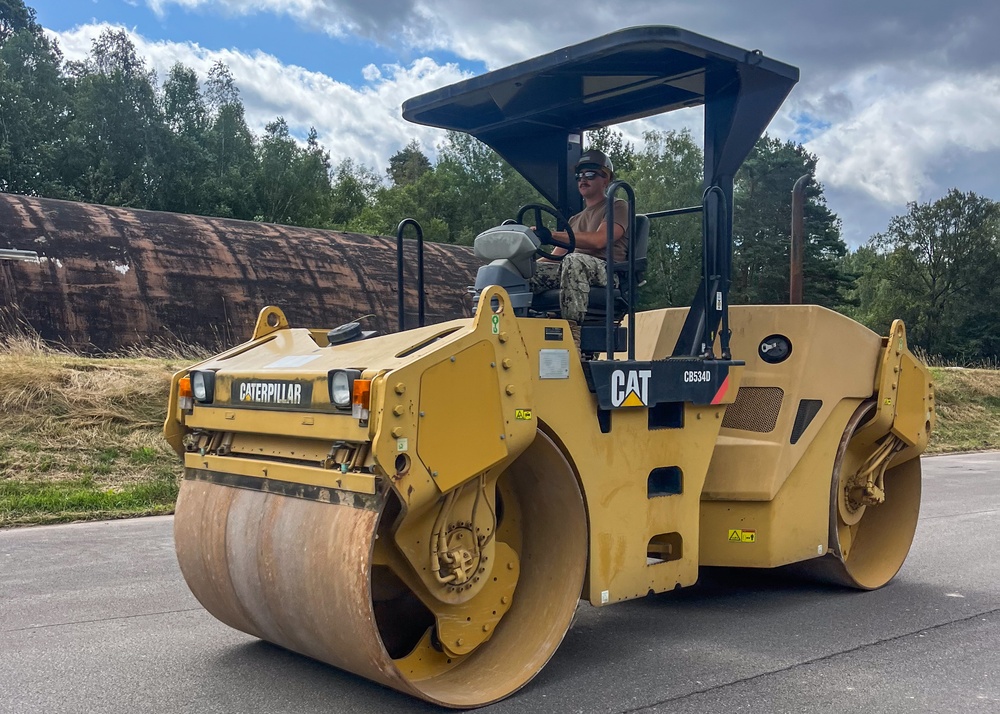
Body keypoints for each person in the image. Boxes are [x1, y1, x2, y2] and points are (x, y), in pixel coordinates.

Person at [529, 149, 629, 326]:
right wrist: (526, 265)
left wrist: (551, 233)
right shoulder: (574, 220)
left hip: (608, 272)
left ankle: (571, 330)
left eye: (590, 174)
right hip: (572, 269)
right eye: (579, 175)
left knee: (573, 261)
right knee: (525, 272)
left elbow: (600, 240)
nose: (583, 179)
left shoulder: (617, 206)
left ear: (605, 179)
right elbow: (555, 256)